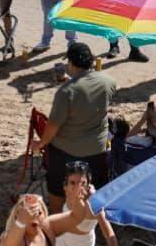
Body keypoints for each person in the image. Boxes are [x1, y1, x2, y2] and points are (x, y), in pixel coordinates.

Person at [32, 42, 116, 212]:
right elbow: (89, 94)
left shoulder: (66, 92)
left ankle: (56, 220)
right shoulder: (109, 82)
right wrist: (72, 81)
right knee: (89, 192)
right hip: (97, 150)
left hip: (67, 152)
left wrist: (40, 144)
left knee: (57, 190)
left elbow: (53, 127)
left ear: (70, 63)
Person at [48, 161, 119, 246]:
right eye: (73, 183)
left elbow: (110, 236)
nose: (77, 187)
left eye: (82, 183)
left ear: (87, 184)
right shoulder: (68, 193)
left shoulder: (94, 204)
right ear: (66, 185)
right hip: (61, 244)